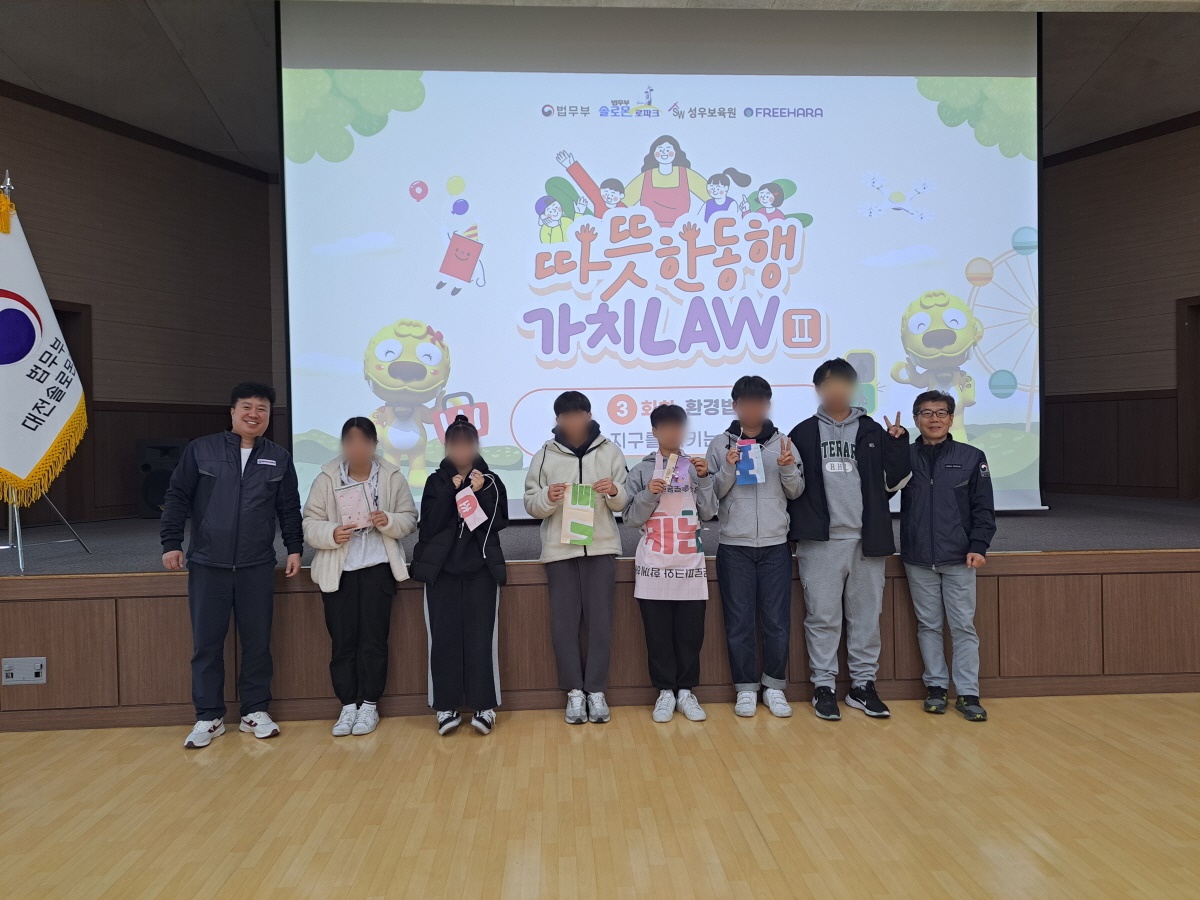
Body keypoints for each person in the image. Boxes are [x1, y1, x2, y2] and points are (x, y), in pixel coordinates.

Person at [161, 382, 302, 749]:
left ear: (269, 416)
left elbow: (288, 508)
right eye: (247, 407)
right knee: (206, 644)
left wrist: (294, 548)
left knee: (258, 643)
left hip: (257, 564)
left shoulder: (279, 457)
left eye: (262, 409)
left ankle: (255, 711)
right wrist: (171, 543)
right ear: (233, 411)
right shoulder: (201, 450)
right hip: (208, 563)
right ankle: (208, 716)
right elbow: (177, 496)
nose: (254, 414)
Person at [788, 359, 911, 721]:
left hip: (866, 540)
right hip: (820, 543)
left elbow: (894, 483)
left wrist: (898, 445)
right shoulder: (802, 433)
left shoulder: (873, 431)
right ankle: (823, 687)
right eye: (829, 383)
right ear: (818, 389)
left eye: (843, 383)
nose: (836, 390)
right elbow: (791, 488)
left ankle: (863, 686)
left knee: (866, 618)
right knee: (822, 618)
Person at [302, 417, 417, 737]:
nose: (357, 448)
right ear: (342, 445)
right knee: (343, 642)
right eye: (350, 441)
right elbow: (309, 522)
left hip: (378, 568)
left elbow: (409, 519)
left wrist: (388, 520)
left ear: (374, 445)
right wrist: (331, 532)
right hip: (339, 571)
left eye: (364, 441)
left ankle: (369, 704)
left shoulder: (391, 476)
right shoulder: (326, 477)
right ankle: (347, 705)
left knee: (374, 641)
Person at [523, 390, 628, 725]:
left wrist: (613, 491)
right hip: (560, 550)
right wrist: (547, 496)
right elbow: (530, 503)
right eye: (566, 416)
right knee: (564, 625)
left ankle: (596, 691)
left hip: (601, 548)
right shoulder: (544, 454)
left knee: (600, 623)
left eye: (578, 415)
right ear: (558, 420)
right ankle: (573, 692)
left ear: (588, 415)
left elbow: (624, 501)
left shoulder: (610, 450)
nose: (573, 421)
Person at [705, 376, 804, 718]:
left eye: (759, 402)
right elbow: (711, 496)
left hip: (776, 545)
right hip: (735, 546)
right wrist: (728, 467)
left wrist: (787, 469)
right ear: (735, 405)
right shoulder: (720, 444)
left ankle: (774, 686)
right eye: (746, 402)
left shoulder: (784, 443)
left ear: (767, 405)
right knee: (739, 623)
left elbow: (796, 491)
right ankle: (745, 688)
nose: (752, 408)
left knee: (777, 622)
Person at [900, 390, 996, 722]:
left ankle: (968, 693)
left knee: (963, 627)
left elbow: (983, 508)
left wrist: (978, 546)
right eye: (926, 413)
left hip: (959, 557)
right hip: (917, 557)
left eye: (941, 413)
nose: (934, 419)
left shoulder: (971, 457)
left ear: (952, 418)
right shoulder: (905, 457)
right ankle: (936, 688)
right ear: (916, 419)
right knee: (928, 626)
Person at [412, 415, 509, 736]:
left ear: (476, 446)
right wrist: (450, 493)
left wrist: (478, 493)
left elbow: (498, 522)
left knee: (482, 639)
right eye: (456, 445)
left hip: (481, 571)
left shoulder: (491, 481)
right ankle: (445, 706)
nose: (462, 451)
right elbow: (429, 525)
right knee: (443, 640)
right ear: (447, 447)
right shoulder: (435, 481)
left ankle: (485, 706)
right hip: (442, 573)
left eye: (468, 445)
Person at [623, 404, 718, 723]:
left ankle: (686, 692)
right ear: (654, 432)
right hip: (654, 564)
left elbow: (709, 513)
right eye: (665, 427)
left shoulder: (695, 467)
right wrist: (648, 494)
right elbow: (630, 518)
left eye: (678, 427)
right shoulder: (640, 470)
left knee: (690, 633)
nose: (672, 433)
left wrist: (704, 479)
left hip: (690, 563)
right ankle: (665, 692)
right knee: (658, 634)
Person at [622, 135, 711, 227]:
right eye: (660, 150)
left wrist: (700, 220)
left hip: (680, 228)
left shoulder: (686, 174)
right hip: (650, 229)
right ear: (653, 153)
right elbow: (624, 202)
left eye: (668, 150)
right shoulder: (645, 177)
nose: (664, 153)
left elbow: (710, 196)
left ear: (676, 153)